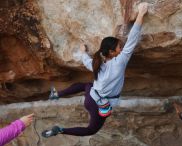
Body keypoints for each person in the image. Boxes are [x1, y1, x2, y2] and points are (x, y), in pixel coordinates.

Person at [41, 2, 149, 138]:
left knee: (85, 85)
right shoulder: (119, 62)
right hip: (99, 105)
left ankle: (56, 95)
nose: (121, 49)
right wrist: (141, 14)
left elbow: (87, 61)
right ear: (111, 52)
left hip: (91, 96)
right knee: (91, 130)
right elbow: (132, 40)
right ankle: (61, 130)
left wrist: (82, 52)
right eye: (119, 48)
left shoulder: (98, 62)